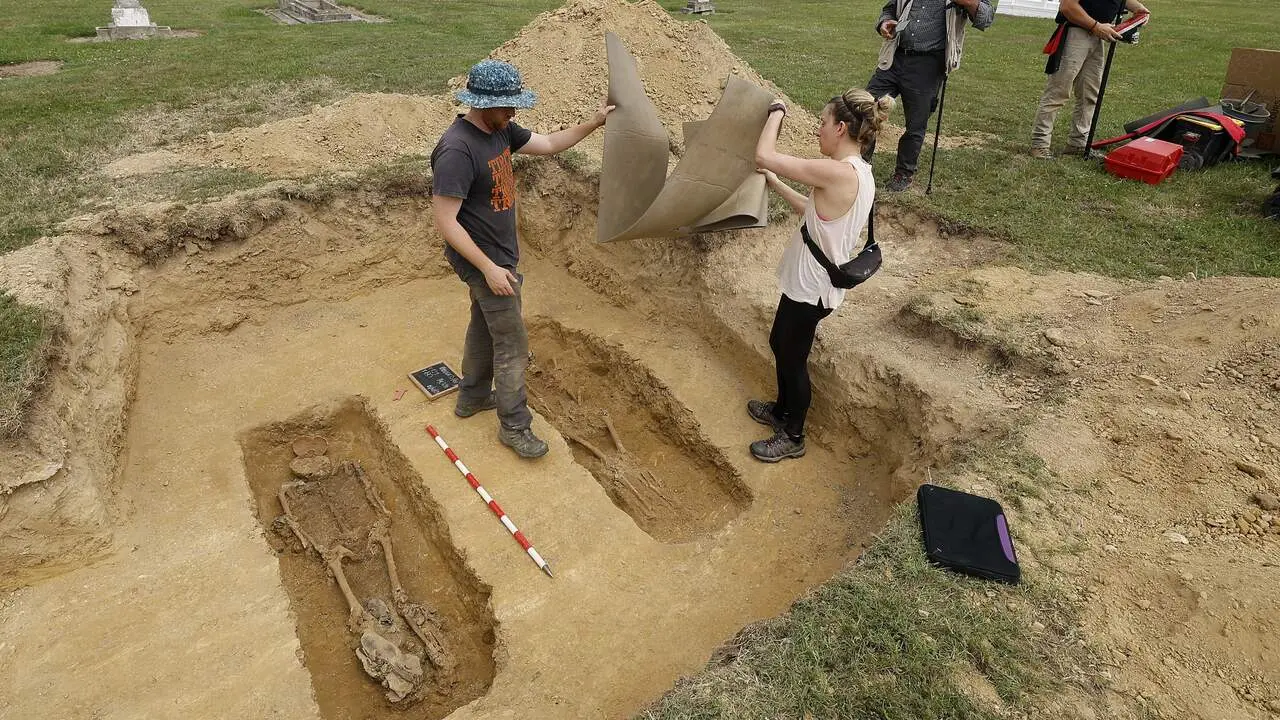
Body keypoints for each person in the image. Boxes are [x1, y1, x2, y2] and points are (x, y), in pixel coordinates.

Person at [430, 59, 613, 459]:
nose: (515, 112)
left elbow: (547, 145)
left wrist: (594, 123)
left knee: (484, 325)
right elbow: (445, 221)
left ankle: (472, 396)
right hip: (485, 261)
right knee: (512, 345)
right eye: (508, 105)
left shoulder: (500, 130)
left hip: (496, 258)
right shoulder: (457, 150)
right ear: (483, 104)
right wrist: (489, 269)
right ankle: (514, 426)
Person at [749, 90, 893, 462]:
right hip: (809, 282)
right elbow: (814, 213)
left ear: (841, 128)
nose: (818, 130)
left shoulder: (836, 172)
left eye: (823, 122)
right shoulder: (859, 172)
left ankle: (793, 434)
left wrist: (777, 111)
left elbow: (763, 155)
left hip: (812, 287)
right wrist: (776, 183)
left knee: (793, 358)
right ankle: (781, 411)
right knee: (780, 343)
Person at [865, 0, 994, 192]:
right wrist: (885, 22)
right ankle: (860, 162)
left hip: (929, 64)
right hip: (894, 57)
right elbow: (890, 9)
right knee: (866, 107)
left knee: (915, 124)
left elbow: (986, 17)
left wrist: (968, 2)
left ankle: (904, 173)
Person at [1030, 0, 1150, 158]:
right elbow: (1068, 6)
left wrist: (1139, 8)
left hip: (1097, 36)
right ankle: (1040, 144)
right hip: (1076, 33)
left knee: (1090, 94)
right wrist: (1096, 26)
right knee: (1058, 92)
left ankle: (1078, 143)